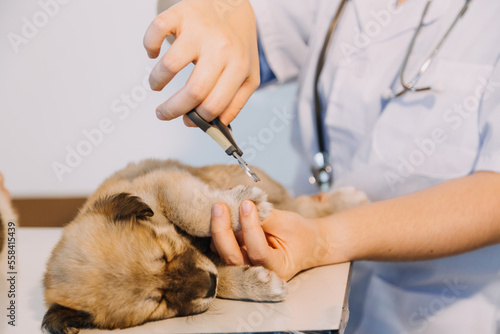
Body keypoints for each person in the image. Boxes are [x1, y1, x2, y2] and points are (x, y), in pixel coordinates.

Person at [144, 0, 500, 333]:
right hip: (310, 292)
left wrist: (325, 240)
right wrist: (213, 9)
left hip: (442, 312)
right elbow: (203, 30)